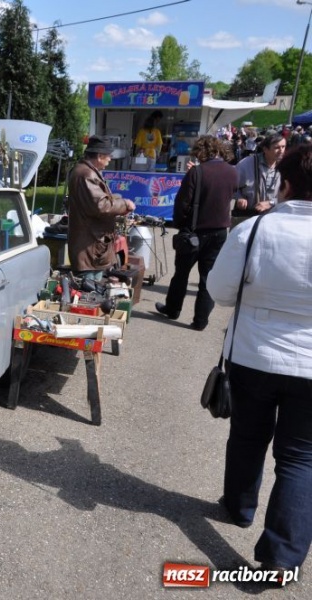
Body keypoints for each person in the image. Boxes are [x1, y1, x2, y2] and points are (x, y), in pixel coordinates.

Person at [207, 144, 312, 580]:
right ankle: (281, 557)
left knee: (248, 437)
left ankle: (240, 506)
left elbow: (220, 291)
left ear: (284, 184)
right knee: (302, 458)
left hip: (254, 356)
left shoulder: (254, 231)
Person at [155, 135, 237, 331]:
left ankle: (173, 309)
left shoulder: (197, 172)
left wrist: (180, 224)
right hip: (219, 232)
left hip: (194, 231)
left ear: (202, 151)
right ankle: (200, 321)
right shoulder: (232, 172)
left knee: (181, 274)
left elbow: (182, 203)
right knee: (207, 278)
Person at [66, 135, 135, 280]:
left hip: (92, 245)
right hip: (89, 248)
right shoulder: (86, 174)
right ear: (99, 156)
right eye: (108, 156)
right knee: (90, 292)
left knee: (93, 290)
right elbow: (101, 206)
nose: (110, 159)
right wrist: (124, 204)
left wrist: (117, 199)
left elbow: (98, 200)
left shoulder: (87, 172)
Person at [231, 132, 285, 228]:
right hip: (248, 218)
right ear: (265, 149)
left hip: (275, 219)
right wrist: (238, 197)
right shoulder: (246, 164)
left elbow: (292, 195)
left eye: (283, 147)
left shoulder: (287, 166)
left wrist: (271, 203)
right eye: (277, 148)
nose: (281, 151)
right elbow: (230, 185)